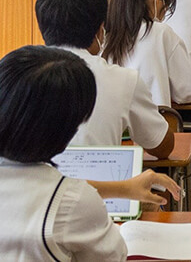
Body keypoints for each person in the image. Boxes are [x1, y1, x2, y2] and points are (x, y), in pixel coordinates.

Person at [0, 46, 180, 260]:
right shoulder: (72, 204)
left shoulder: (62, 196)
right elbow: (114, 256)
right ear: (64, 131)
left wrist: (123, 189)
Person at [35, 0, 174, 159]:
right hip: (99, 185)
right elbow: (161, 146)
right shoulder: (124, 80)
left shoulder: (13, 70)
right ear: (101, 29)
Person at [103, 0, 191, 106]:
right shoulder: (161, 33)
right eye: (168, 5)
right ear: (159, 0)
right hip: (150, 124)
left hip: (111, 125)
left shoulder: (103, 35)